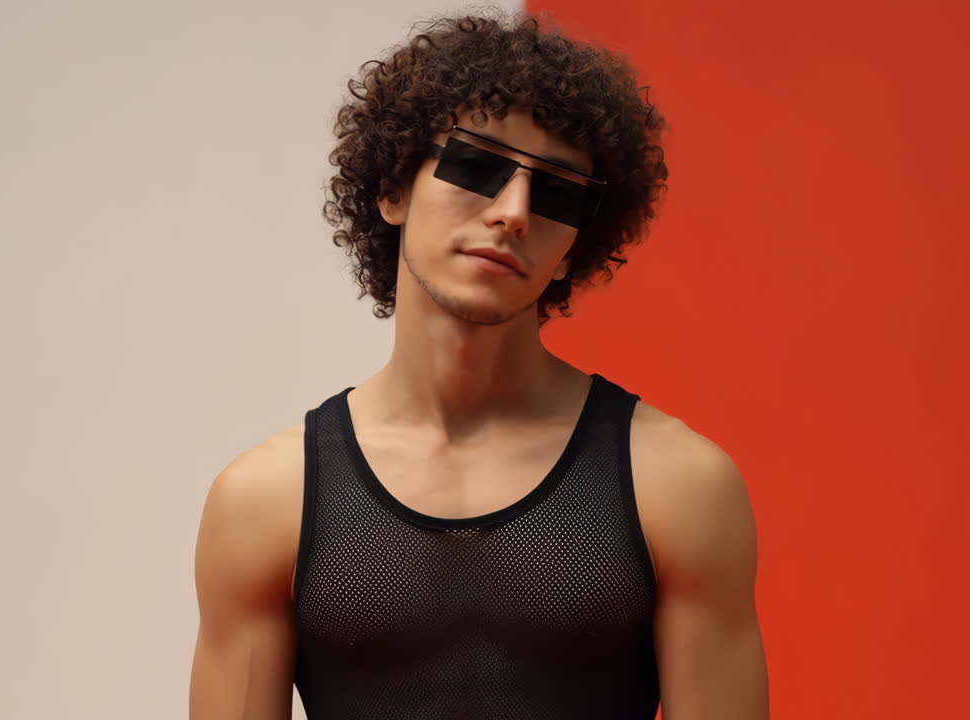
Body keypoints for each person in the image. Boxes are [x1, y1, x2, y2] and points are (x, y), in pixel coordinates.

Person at [189, 11, 768, 720]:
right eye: (476, 165)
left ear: (573, 250)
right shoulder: (263, 503)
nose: (514, 211)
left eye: (556, 193)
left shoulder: (678, 486)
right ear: (394, 189)